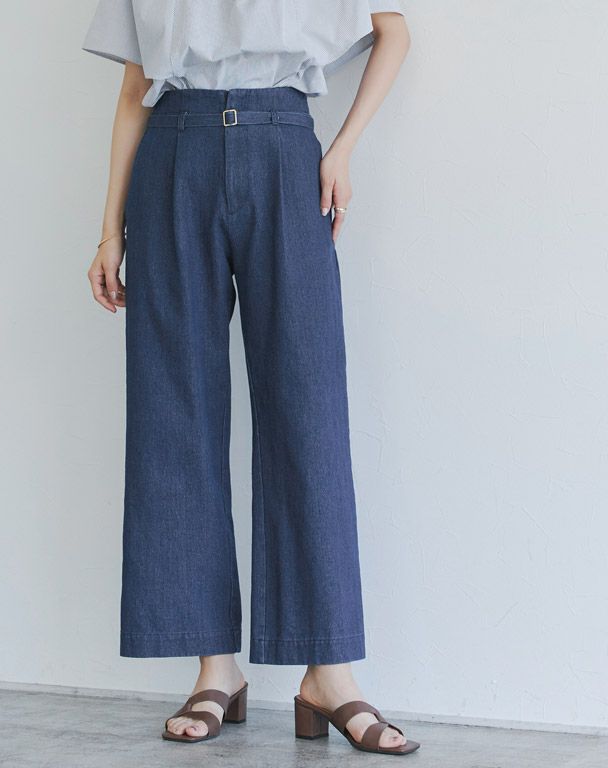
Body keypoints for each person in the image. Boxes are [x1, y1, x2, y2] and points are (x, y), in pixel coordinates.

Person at [82, 0, 417, 756]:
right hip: (173, 154)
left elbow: (392, 28)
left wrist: (343, 148)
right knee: (176, 413)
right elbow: (135, 87)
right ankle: (215, 668)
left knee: (309, 410)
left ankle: (328, 672)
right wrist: (109, 229)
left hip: (286, 151)